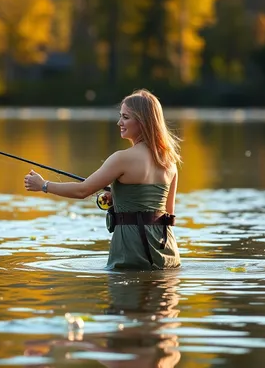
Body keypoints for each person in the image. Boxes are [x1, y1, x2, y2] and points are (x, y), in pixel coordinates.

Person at [24, 89, 182, 270]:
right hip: (166, 251)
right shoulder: (170, 162)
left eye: (125, 117)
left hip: (131, 251)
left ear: (143, 121)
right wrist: (119, 198)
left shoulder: (122, 159)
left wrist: (43, 185)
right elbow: (166, 213)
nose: (119, 122)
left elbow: (82, 191)